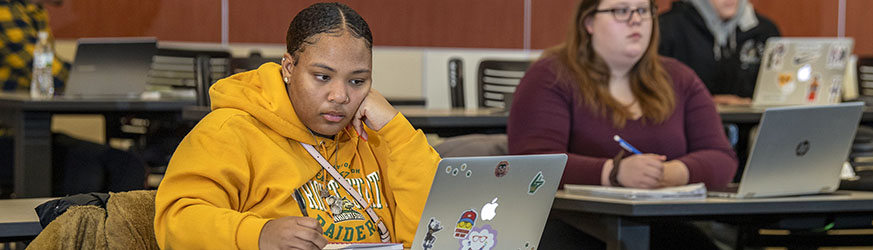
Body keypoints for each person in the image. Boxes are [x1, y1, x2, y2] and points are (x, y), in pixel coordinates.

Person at [153, 3, 441, 250]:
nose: (340, 96)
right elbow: (176, 223)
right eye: (322, 76)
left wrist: (396, 129)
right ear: (289, 68)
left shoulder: (377, 136)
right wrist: (259, 235)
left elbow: (440, 228)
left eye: (357, 81)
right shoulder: (230, 131)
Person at [507, 0, 737, 248]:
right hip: (572, 223)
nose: (635, 19)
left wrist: (676, 172)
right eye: (621, 10)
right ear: (589, 22)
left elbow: (722, 158)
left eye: (643, 10)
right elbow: (533, 163)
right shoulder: (551, 76)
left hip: (662, 225)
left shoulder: (679, 78)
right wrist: (613, 172)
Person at [1, 0, 145, 198]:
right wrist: (107, 79)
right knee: (89, 168)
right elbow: (46, 71)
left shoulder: (33, 12)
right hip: (9, 138)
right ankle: (71, 227)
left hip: (23, 135)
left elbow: (49, 72)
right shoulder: (4, 11)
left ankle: (115, 227)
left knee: (127, 164)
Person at [659, 0, 780, 105]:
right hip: (691, 124)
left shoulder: (764, 31)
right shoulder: (668, 29)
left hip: (752, 127)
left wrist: (750, 104)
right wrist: (706, 103)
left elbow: (779, 91)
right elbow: (655, 90)